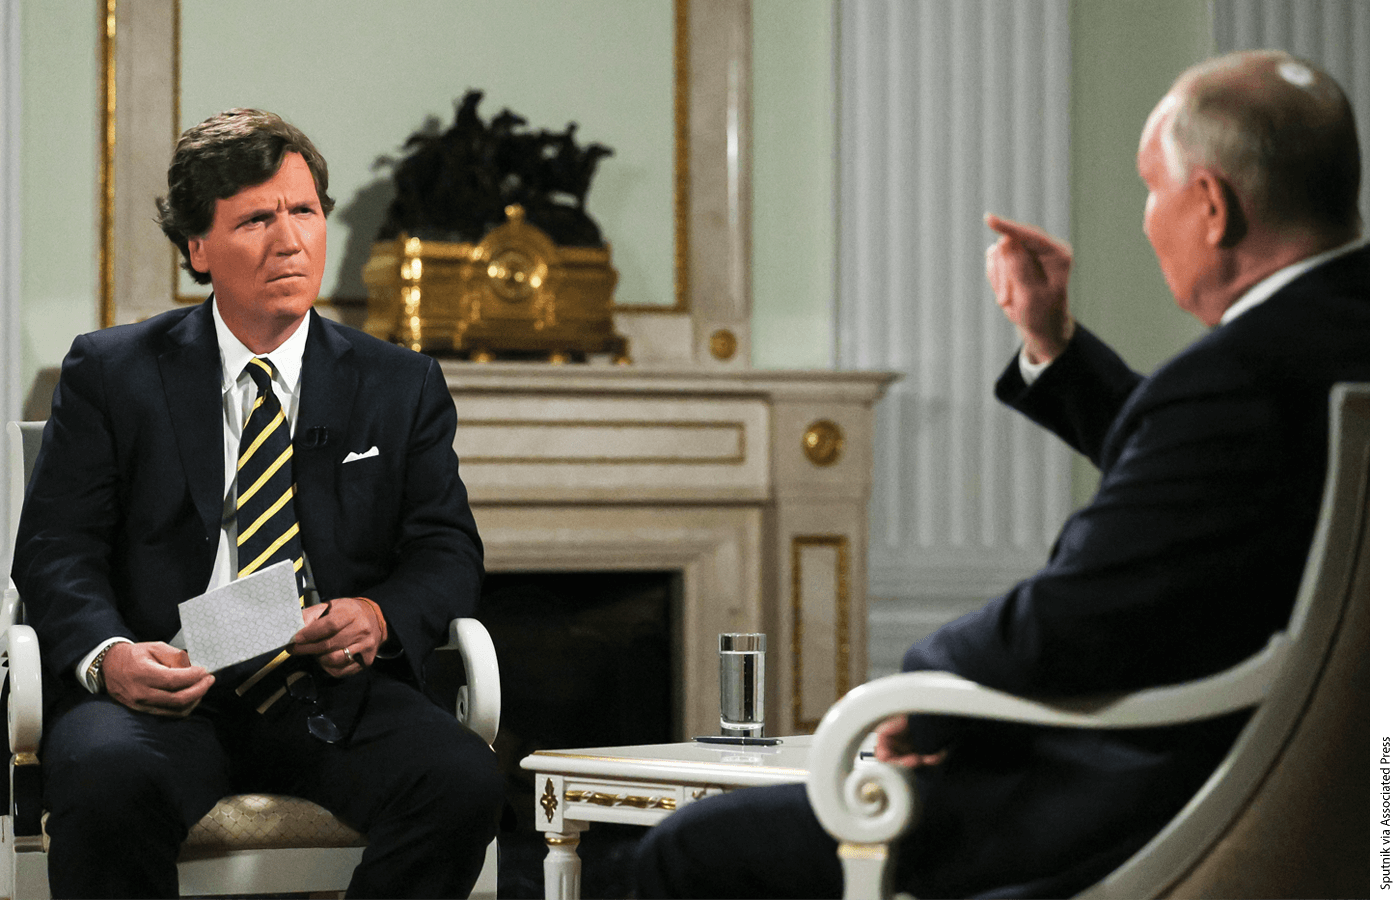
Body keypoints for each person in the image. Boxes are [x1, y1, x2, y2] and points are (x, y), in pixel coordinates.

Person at [633, 49, 1368, 900]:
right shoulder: (1332, 354)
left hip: (1157, 799)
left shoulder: (1234, 381)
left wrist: (923, 685)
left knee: (689, 850)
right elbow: (1210, 486)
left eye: (1148, 185)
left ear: (1210, 205)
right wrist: (1053, 348)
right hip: (1330, 792)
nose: (1142, 218)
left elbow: (1071, 621)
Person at [11, 109, 503, 899]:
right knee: (105, 780)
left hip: (326, 693)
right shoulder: (111, 372)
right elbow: (54, 549)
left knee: (464, 782)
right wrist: (110, 658)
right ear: (197, 248)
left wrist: (376, 615)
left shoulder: (398, 383)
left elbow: (446, 549)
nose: (290, 240)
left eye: (304, 211)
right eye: (256, 219)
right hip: (161, 694)